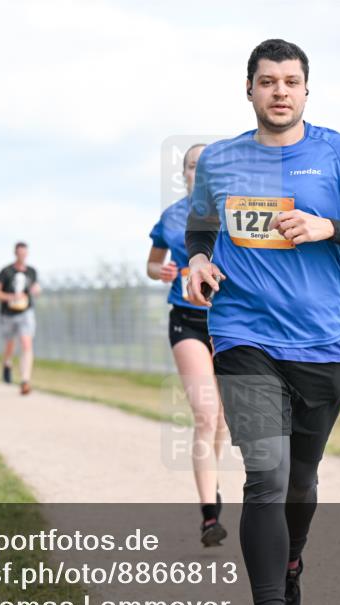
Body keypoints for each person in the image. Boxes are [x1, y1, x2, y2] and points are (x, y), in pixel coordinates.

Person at [185, 39, 340, 605]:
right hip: (241, 335)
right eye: (266, 81)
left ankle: (288, 561)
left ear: (306, 90)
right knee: (268, 475)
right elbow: (201, 224)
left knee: (301, 483)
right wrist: (200, 258)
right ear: (249, 90)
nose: (279, 91)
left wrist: (328, 227)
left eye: (290, 81)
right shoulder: (221, 160)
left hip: (319, 342)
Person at [147, 143, 232, 548]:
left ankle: (210, 481)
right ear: (184, 173)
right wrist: (158, 271)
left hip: (230, 324)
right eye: (194, 166)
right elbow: (152, 262)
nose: (200, 172)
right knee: (205, 415)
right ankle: (208, 516)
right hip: (187, 321)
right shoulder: (172, 216)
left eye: (207, 166)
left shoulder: (233, 212)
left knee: (222, 422)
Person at [0, 242, 40, 395]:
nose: (22, 255)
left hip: (26, 312)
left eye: (24, 253)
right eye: (20, 253)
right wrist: (11, 297)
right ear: (15, 253)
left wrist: (36, 290)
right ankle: (7, 363)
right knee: (10, 345)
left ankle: (25, 380)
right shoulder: (6, 272)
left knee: (26, 343)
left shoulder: (32, 271)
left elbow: (36, 288)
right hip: (8, 314)